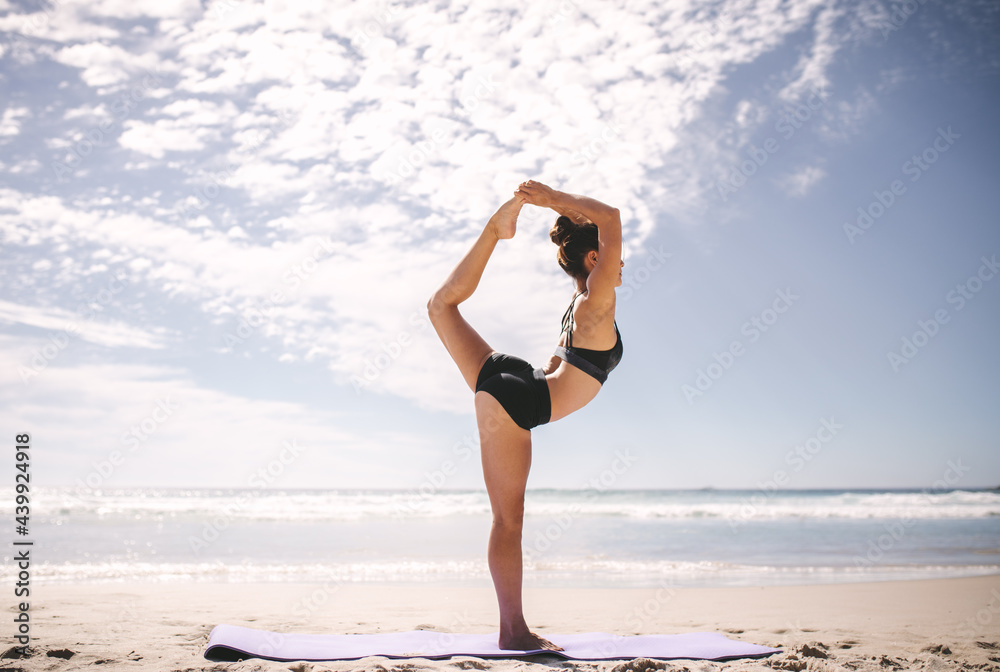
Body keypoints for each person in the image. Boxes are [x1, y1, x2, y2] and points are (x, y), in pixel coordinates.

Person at [426, 179, 624, 651]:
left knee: (440, 307)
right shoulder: (596, 301)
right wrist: (553, 199)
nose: (622, 264)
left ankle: (495, 232)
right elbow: (612, 217)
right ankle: (513, 633)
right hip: (521, 400)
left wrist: (559, 209)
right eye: (615, 258)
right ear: (594, 260)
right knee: (507, 521)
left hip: (513, 378)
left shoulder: (579, 307)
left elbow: (557, 368)